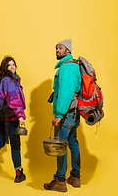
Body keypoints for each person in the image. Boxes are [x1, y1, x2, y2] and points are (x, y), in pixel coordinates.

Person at [44, 39, 82, 192]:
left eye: (60, 48)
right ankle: (75, 176)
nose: (57, 51)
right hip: (74, 112)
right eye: (56, 48)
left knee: (60, 145)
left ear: (68, 50)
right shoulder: (74, 66)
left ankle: (60, 180)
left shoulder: (66, 67)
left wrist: (59, 115)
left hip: (66, 114)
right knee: (72, 141)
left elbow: (66, 92)